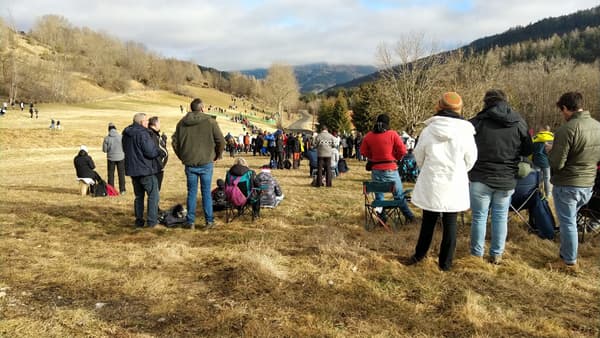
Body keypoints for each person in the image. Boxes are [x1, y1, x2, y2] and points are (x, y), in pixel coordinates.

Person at [407, 92, 477, 271]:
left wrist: (430, 168)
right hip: (454, 181)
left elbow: (418, 155)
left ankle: (419, 255)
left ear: (440, 106)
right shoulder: (465, 132)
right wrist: (459, 170)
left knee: (428, 221)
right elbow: (471, 158)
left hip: (432, 180)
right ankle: (445, 264)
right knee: (450, 223)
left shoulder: (429, 130)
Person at [469, 89, 533, 264]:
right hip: (507, 178)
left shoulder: (477, 122)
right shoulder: (518, 121)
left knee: (479, 217)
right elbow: (528, 149)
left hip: (480, 176)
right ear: (506, 101)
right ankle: (497, 254)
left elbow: (465, 147)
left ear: (486, 102)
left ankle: (476, 255)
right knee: (500, 216)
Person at [547, 92, 600, 268]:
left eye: (561, 111)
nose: (562, 115)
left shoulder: (567, 130)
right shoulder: (597, 126)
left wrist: (550, 150)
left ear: (565, 108)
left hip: (568, 185)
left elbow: (557, 163)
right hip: (588, 184)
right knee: (570, 220)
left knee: (567, 223)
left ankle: (568, 261)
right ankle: (565, 255)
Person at [172, 98, 225, 230]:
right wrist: (217, 155)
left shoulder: (181, 123)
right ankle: (209, 221)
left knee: (191, 192)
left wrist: (183, 156)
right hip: (206, 161)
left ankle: (190, 221)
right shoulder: (211, 122)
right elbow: (221, 141)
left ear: (191, 108)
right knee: (206, 193)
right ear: (202, 108)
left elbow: (174, 142)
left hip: (190, 163)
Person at [361, 114, 415, 222]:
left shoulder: (369, 136)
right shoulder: (393, 134)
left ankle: (382, 219)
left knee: (379, 197)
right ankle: (410, 217)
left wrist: (372, 157)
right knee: (399, 196)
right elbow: (403, 151)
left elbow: (363, 151)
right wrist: (396, 157)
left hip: (376, 169)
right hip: (391, 168)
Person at [122, 113, 162, 228]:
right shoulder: (143, 134)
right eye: (145, 121)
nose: (147, 123)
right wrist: (158, 151)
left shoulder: (126, 133)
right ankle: (152, 221)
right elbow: (150, 152)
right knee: (153, 194)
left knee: (139, 196)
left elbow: (125, 149)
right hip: (145, 170)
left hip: (133, 170)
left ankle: (139, 220)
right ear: (141, 122)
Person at [102, 122, 127, 194]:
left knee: (110, 175)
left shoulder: (106, 138)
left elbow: (104, 150)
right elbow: (125, 147)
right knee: (121, 174)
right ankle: (122, 190)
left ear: (108, 130)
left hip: (111, 158)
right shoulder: (121, 137)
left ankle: (111, 191)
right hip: (121, 157)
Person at [147, 116, 168, 191]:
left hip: (156, 167)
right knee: (154, 192)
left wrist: (163, 140)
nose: (160, 125)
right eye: (159, 123)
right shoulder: (152, 135)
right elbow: (159, 151)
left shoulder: (154, 134)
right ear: (154, 125)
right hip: (155, 167)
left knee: (155, 192)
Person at [532, 126, 554, 198]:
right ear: (548, 130)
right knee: (547, 178)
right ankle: (548, 195)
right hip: (546, 162)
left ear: (542, 129)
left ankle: (536, 194)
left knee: (536, 179)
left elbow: (531, 149)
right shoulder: (553, 138)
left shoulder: (535, 137)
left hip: (536, 161)